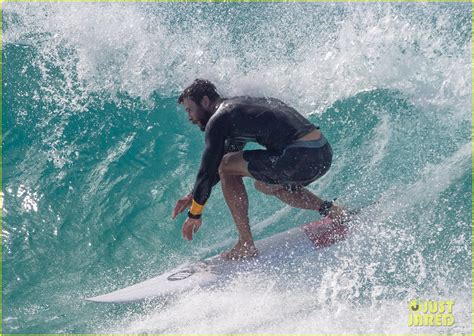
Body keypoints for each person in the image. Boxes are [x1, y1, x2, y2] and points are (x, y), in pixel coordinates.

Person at [171, 79, 345, 260]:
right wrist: (194, 194)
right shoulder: (239, 109)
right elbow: (219, 163)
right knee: (265, 185)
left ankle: (246, 244)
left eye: (189, 109)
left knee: (227, 165)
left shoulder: (219, 119)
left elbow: (210, 168)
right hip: (321, 153)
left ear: (205, 101)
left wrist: (195, 214)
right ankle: (332, 210)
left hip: (300, 155)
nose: (189, 116)